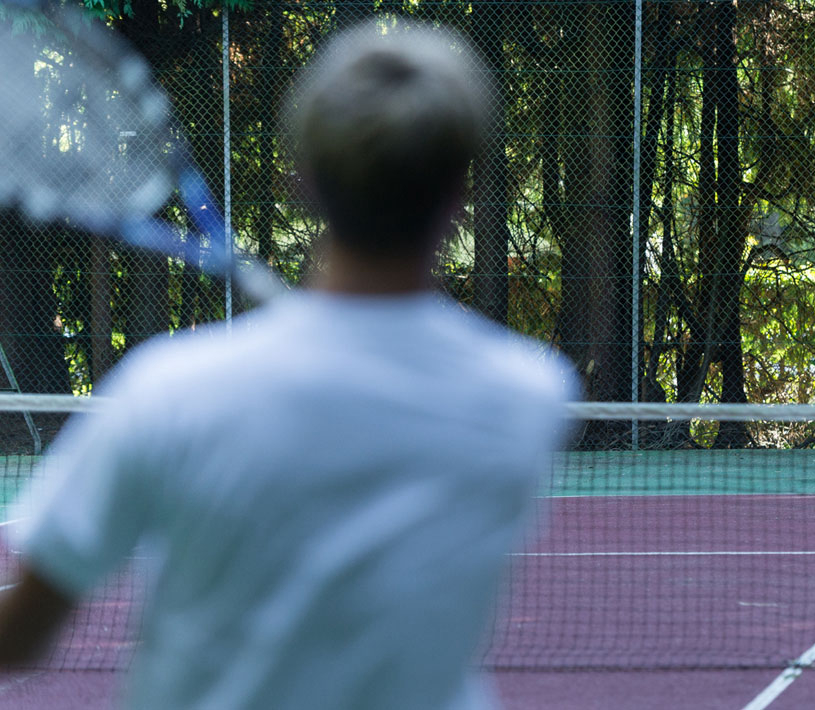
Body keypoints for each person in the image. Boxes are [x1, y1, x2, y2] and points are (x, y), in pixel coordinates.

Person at [0, 20, 575, 710]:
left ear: (302, 178)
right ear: (458, 195)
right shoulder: (531, 396)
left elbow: (24, 635)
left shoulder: (170, 391)